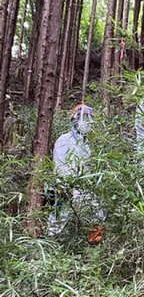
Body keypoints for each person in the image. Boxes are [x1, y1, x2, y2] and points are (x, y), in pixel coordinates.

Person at [48, 104, 105, 244]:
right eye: (85, 118)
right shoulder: (64, 140)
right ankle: (51, 243)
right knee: (60, 216)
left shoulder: (86, 144)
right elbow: (60, 165)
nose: (89, 122)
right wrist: (68, 186)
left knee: (98, 213)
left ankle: (94, 246)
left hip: (85, 187)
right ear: (75, 120)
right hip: (68, 186)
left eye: (90, 118)